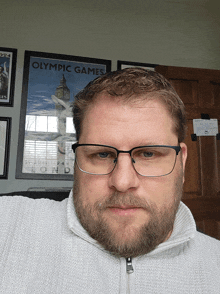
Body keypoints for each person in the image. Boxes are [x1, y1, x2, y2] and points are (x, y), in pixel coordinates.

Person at [0, 68, 219, 293]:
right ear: (77, 160)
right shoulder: (7, 225)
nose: (122, 182)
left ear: (181, 163)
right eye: (102, 154)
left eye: (148, 154)